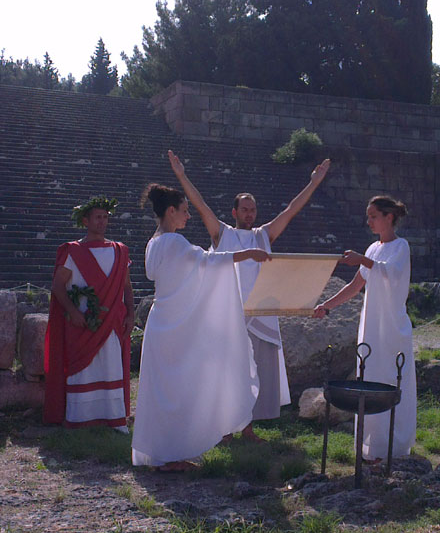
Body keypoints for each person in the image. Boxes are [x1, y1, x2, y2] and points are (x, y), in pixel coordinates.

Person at [168, 149, 331, 443]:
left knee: (252, 373)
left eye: (252, 209)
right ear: (234, 212)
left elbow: (291, 211)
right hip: (226, 316)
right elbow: (200, 205)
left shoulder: (263, 236)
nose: (249, 213)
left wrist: (314, 183)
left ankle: (247, 428)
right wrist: (181, 175)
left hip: (258, 315)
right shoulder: (222, 234)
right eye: (244, 209)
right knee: (225, 373)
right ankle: (223, 429)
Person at [131, 179, 270, 472]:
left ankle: (160, 453)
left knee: (162, 391)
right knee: (177, 390)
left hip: (161, 322)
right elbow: (209, 262)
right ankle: (171, 456)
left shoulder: (153, 243)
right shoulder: (174, 242)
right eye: (183, 210)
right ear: (170, 211)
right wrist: (248, 254)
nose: (188, 215)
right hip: (174, 327)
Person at [314, 195, 416, 461]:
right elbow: (355, 286)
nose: (369, 221)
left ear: (389, 217)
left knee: (391, 378)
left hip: (392, 326)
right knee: (369, 378)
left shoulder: (400, 247)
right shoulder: (371, 249)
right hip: (371, 325)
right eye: (368, 216)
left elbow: (392, 273)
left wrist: (362, 259)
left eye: (373, 216)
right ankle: (373, 446)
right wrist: (326, 305)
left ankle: (396, 446)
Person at [44, 196, 135, 432]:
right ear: (85, 220)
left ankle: (114, 419)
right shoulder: (72, 252)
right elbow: (58, 286)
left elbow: (126, 286)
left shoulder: (119, 251)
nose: (102, 222)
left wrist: (131, 314)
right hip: (82, 323)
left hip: (111, 323)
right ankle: (80, 418)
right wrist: (73, 312)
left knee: (111, 366)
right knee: (82, 370)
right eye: (97, 217)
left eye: (105, 217)